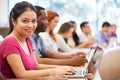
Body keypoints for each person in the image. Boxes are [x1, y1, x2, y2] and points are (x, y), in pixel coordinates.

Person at [0, 1, 75, 79]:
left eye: (33, 21)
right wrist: (53, 72)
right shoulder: (10, 42)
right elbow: (22, 75)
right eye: (25, 21)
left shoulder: (27, 40)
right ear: (14, 21)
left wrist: (61, 68)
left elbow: (36, 66)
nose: (30, 25)